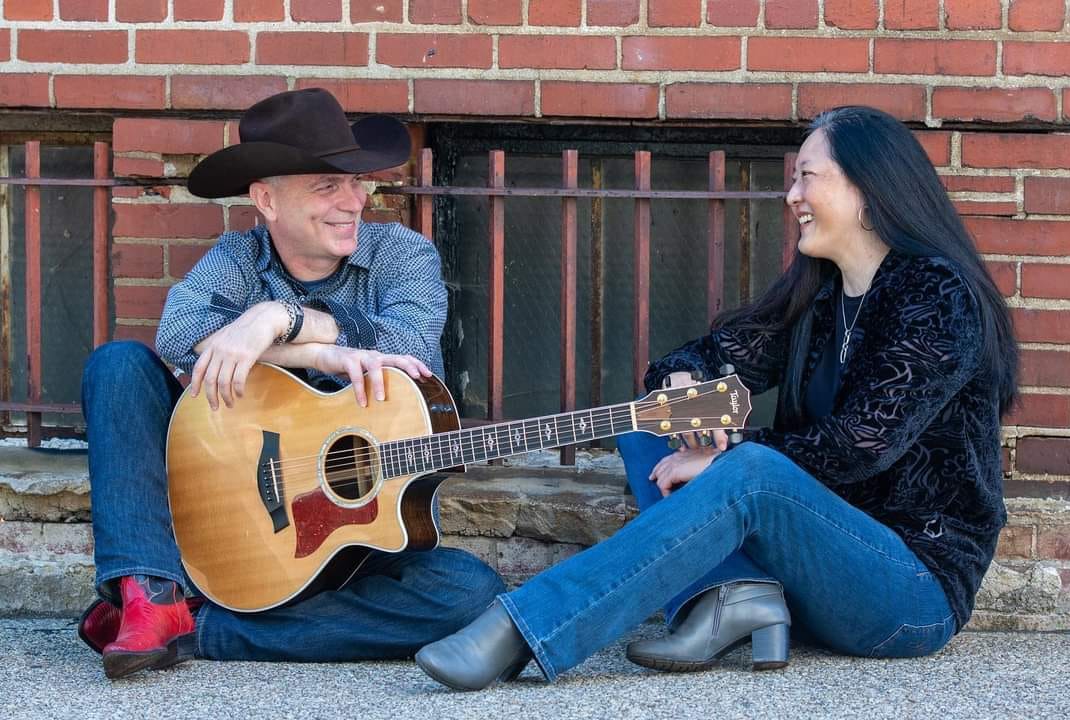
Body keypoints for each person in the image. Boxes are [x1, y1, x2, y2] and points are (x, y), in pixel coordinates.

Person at [413, 106, 1017, 691]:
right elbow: (713, 353)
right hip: (806, 565)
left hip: (908, 588)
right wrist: (680, 384)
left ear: (870, 187)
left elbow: (862, 446)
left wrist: (726, 458)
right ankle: (731, 595)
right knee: (647, 428)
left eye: (807, 177)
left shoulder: (939, 296)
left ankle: (524, 628)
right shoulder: (822, 294)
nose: (791, 197)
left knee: (751, 471)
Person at [77, 88, 504, 680]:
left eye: (356, 182)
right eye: (327, 186)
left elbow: (408, 352)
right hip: (229, 516)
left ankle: (200, 629)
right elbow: (179, 335)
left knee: (469, 592)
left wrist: (278, 320)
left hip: (339, 550)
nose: (353, 200)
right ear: (266, 199)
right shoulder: (238, 259)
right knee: (118, 365)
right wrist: (325, 355)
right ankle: (150, 590)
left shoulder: (402, 254)